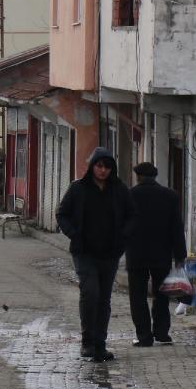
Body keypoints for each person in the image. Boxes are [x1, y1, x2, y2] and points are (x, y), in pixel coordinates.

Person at [56, 147, 136, 362]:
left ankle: (100, 344)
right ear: (92, 166)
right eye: (99, 166)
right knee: (90, 293)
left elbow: (132, 216)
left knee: (103, 299)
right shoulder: (78, 189)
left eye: (107, 167)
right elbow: (62, 214)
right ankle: (87, 341)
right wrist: (74, 234)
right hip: (84, 252)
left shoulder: (119, 190)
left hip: (110, 253)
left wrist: (122, 238)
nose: (102, 171)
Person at [125, 161, 187, 346]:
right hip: (162, 254)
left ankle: (144, 336)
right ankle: (162, 333)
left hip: (136, 254)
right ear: (154, 176)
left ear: (138, 177)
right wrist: (180, 255)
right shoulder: (170, 196)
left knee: (137, 296)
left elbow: (122, 225)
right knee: (162, 294)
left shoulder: (130, 196)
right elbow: (177, 227)